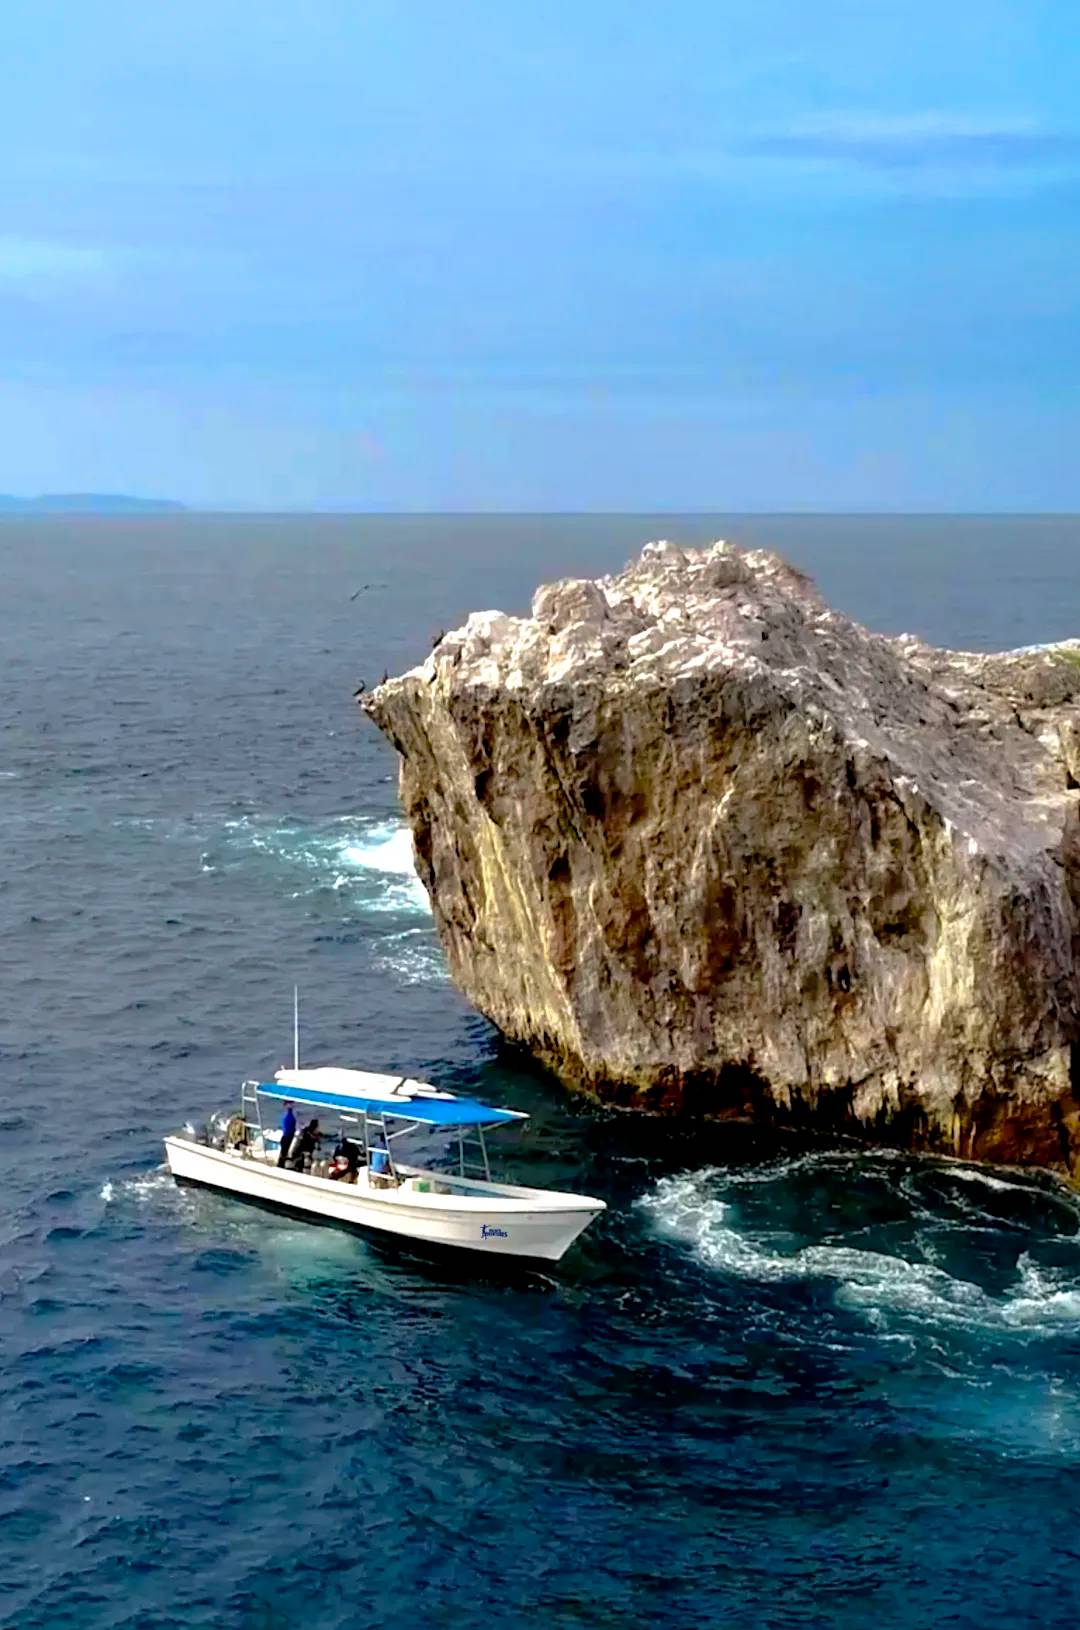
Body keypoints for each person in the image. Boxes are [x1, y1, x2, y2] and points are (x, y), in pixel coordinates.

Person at [277, 1103, 296, 1168]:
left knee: (284, 1153)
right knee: (284, 1152)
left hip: (287, 1136)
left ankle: (281, 1165)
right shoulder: (289, 1117)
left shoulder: (288, 1116)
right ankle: (281, 1165)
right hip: (288, 1136)